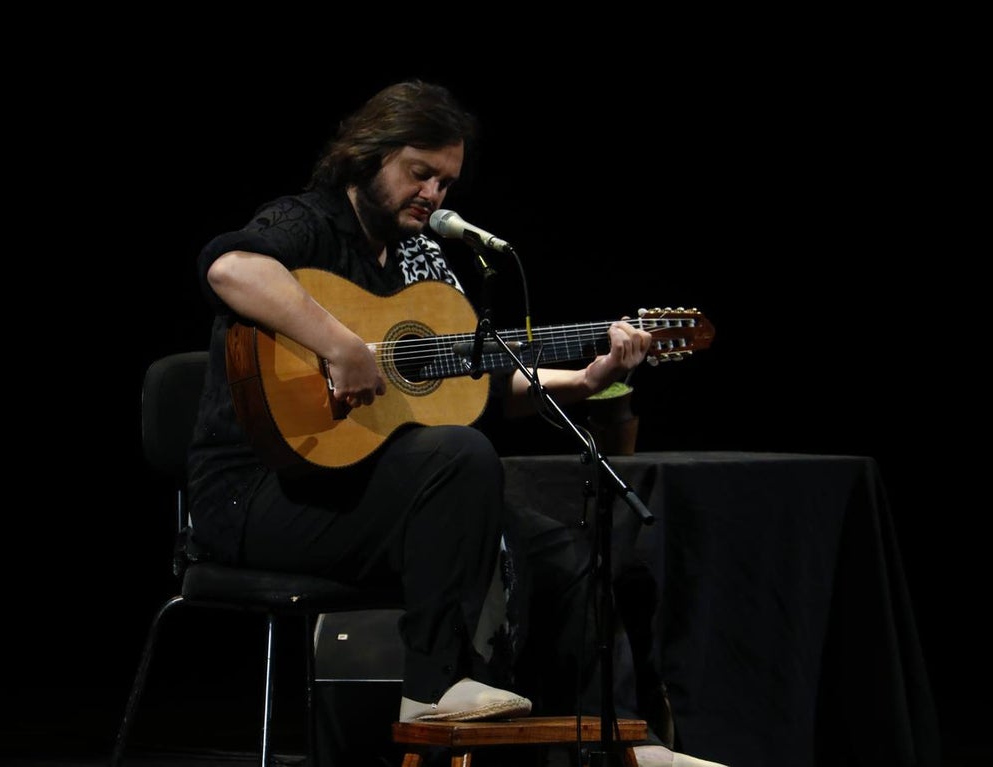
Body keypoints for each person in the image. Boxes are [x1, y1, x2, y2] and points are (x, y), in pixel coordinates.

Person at [185, 80, 728, 767]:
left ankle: (617, 742)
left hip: (357, 493)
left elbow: (480, 377)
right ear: (367, 155)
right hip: (255, 495)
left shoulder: (423, 259)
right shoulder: (308, 222)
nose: (434, 195)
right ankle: (432, 690)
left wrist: (590, 378)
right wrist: (341, 344)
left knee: (564, 551)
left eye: (445, 182)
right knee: (460, 457)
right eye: (420, 173)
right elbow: (229, 267)